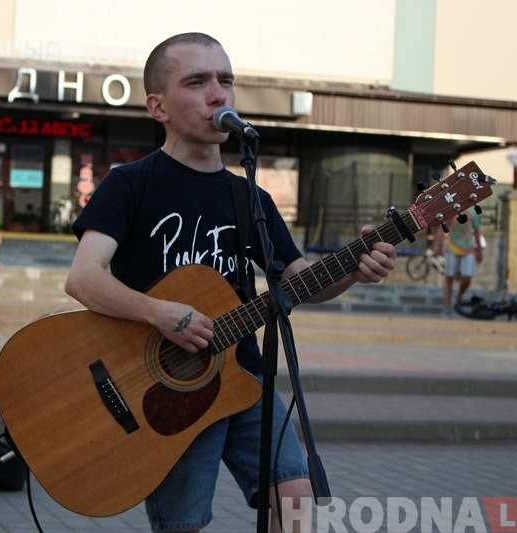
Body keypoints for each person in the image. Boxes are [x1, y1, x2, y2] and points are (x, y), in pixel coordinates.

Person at [64, 32, 397, 533]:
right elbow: (83, 278)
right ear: (158, 106)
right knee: (184, 525)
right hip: (159, 388)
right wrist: (161, 314)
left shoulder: (250, 198)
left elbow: (297, 278)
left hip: (243, 378)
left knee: (297, 497)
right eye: (197, 82)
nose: (218, 94)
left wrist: (352, 268)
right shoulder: (130, 183)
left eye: (225, 80)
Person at [433, 211, 484, 318]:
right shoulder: (453, 208)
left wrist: (479, 250)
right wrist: (437, 246)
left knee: (467, 277)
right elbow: (442, 228)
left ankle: (459, 297)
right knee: (449, 277)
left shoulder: (475, 212)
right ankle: (447, 308)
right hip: (453, 248)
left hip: (469, 248)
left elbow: (477, 231)